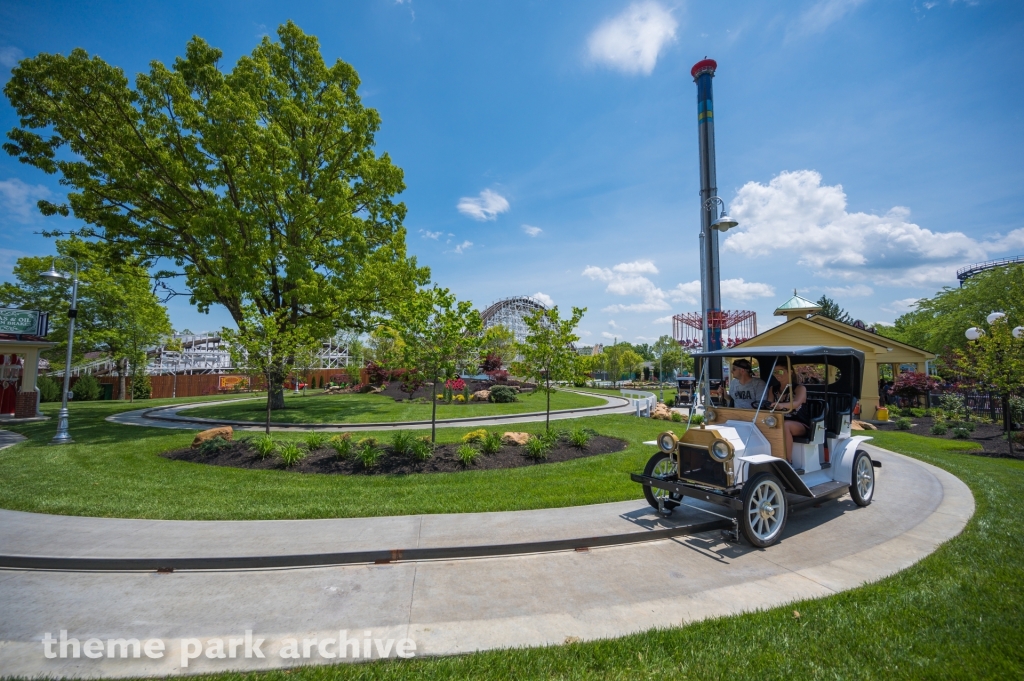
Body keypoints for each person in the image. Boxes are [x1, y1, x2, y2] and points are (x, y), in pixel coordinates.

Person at [769, 365, 810, 465]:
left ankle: (787, 461)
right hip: (778, 421)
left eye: (781, 372)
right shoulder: (773, 389)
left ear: (790, 372)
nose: (777, 375)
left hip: (799, 423)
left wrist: (781, 405)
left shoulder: (800, 388)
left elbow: (796, 403)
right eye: (775, 372)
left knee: (785, 425)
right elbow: (769, 404)